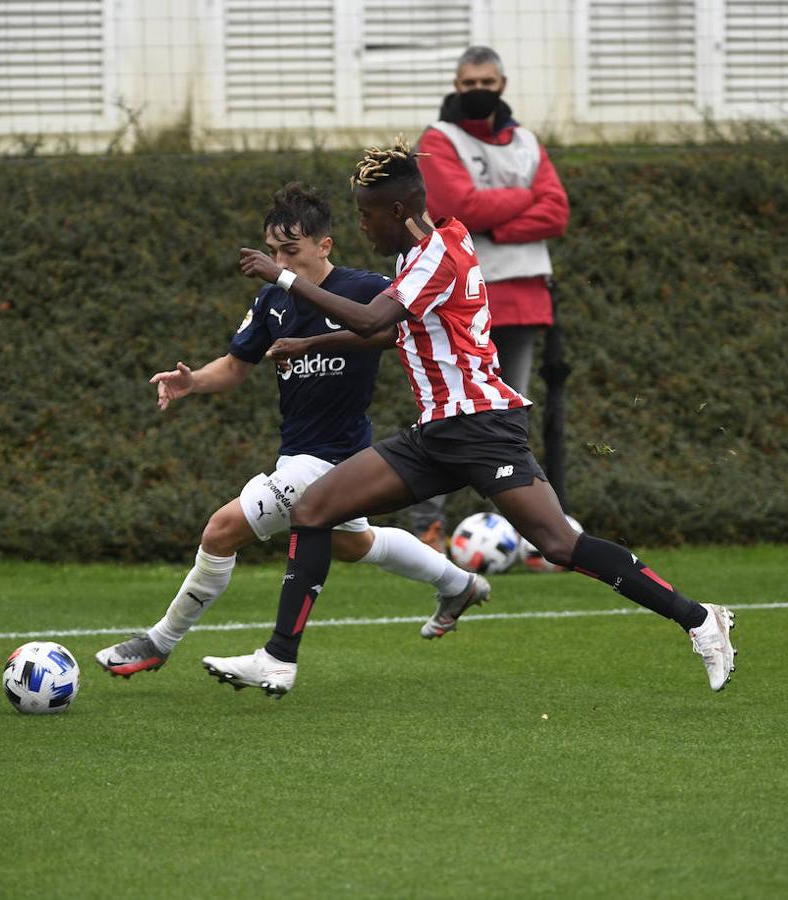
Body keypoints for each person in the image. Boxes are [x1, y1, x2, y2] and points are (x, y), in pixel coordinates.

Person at [201, 142, 736, 698]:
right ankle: (278, 659)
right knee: (314, 511)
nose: (362, 225)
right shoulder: (420, 254)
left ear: (398, 212)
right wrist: (311, 340)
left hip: (482, 426)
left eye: (366, 214)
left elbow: (372, 316)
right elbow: (389, 333)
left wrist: (281, 277)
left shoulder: (437, 252)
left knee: (557, 543)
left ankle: (701, 621)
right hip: (437, 432)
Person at [94, 183, 489, 678]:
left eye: (291, 250)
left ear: (325, 245)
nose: (280, 260)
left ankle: (159, 641)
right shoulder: (270, 303)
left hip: (333, 459)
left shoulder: (365, 289)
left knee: (220, 530)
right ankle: (458, 583)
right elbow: (237, 365)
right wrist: (193, 381)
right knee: (354, 544)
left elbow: (393, 332)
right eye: (274, 251)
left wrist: (317, 339)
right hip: (302, 456)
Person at [405, 45, 571, 551]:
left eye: (487, 83)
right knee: (448, 410)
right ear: (457, 86)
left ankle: (532, 531)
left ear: (502, 84)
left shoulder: (525, 140)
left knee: (506, 422)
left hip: (524, 297)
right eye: (469, 83)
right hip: (462, 299)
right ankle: (425, 526)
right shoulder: (439, 138)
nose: (478, 91)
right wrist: (523, 201)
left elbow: (557, 211)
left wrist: (490, 217)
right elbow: (457, 205)